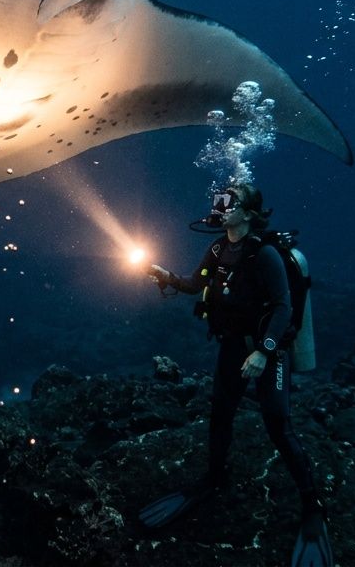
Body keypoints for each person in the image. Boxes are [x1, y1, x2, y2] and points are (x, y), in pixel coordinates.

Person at [138, 183, 333, 567]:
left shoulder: (264, 255)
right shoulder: (216, 248)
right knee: (220, 416)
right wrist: (168, 278)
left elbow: (283, 308)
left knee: (278, 424)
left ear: (247, 212)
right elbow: (197, 285)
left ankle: (313, 504)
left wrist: (265, 351)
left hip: (267, 351)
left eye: (228, 201)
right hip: (231, 347)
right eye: (217, 199)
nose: (219, 206)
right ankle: (214, 479)